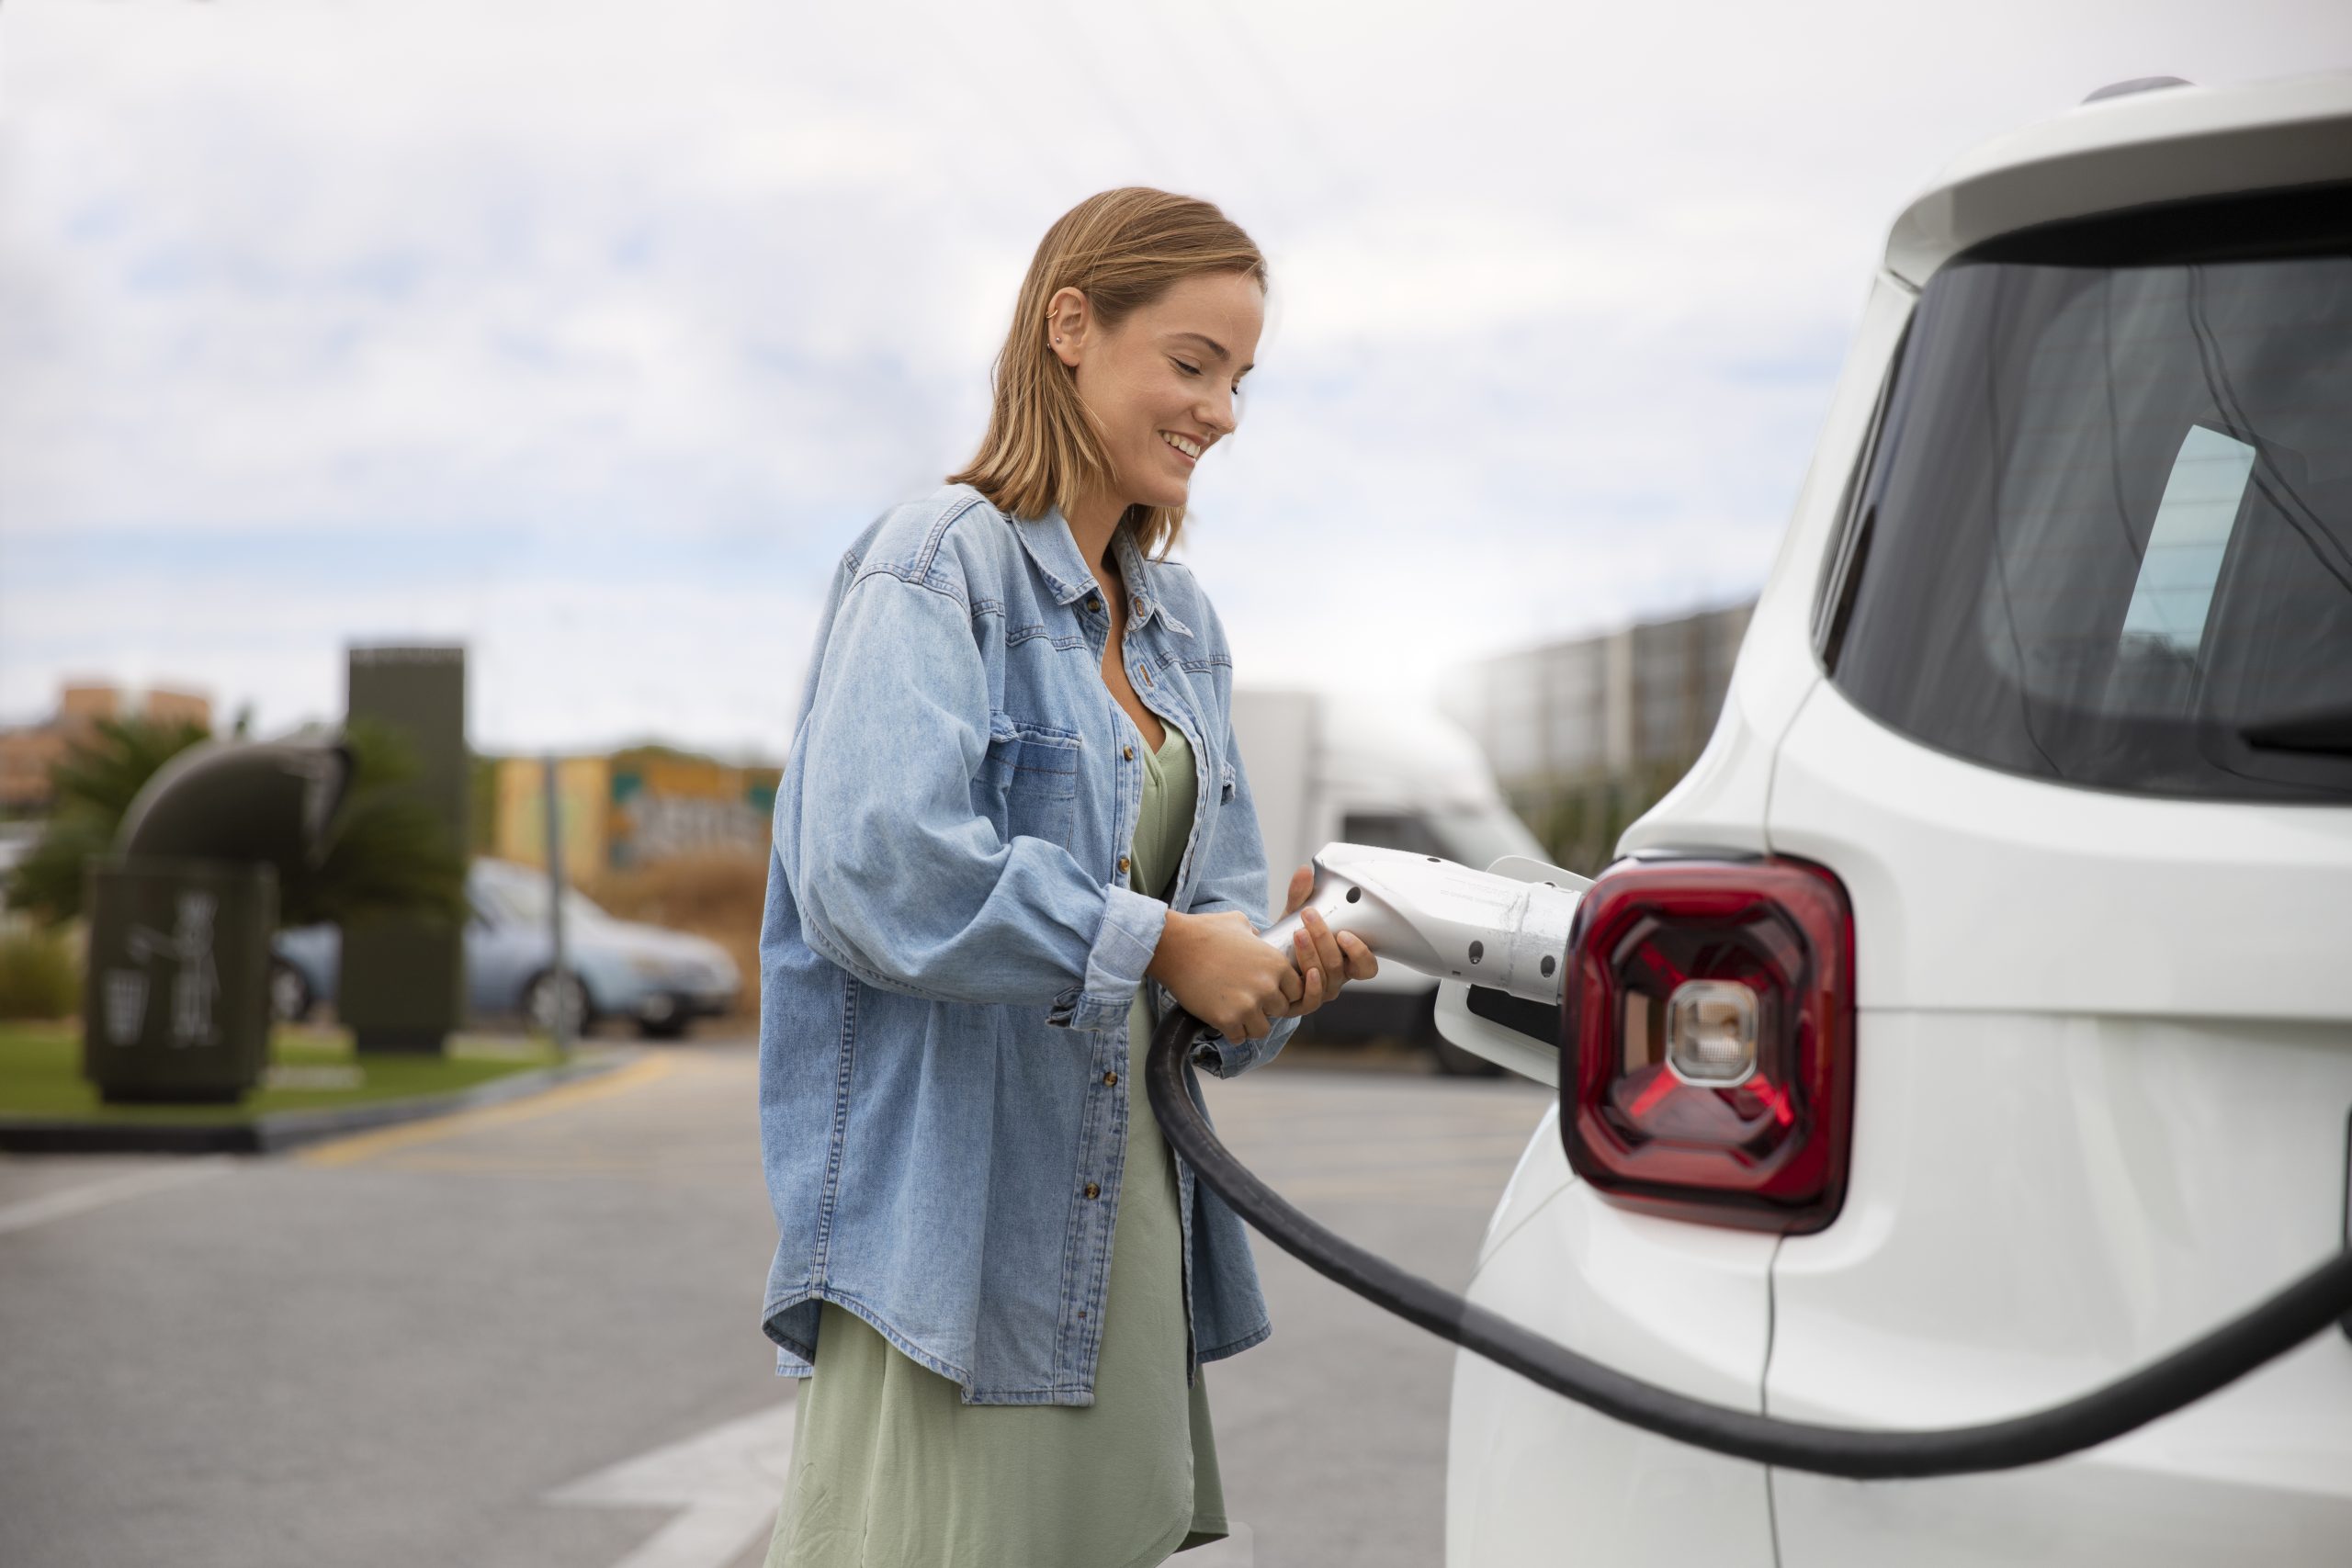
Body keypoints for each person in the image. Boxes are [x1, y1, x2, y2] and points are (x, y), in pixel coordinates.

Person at [755, 186, 1377, 1568]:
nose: (1219, 411)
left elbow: (1205, 952)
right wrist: (1163, 945)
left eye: (1240, 380)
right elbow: (877, 869)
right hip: (957, 1243)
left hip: (1125, 1239)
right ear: (1072, 328)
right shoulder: (935, 565)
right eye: (1192, 364)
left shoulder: (1181, 625)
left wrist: (1272, 973)